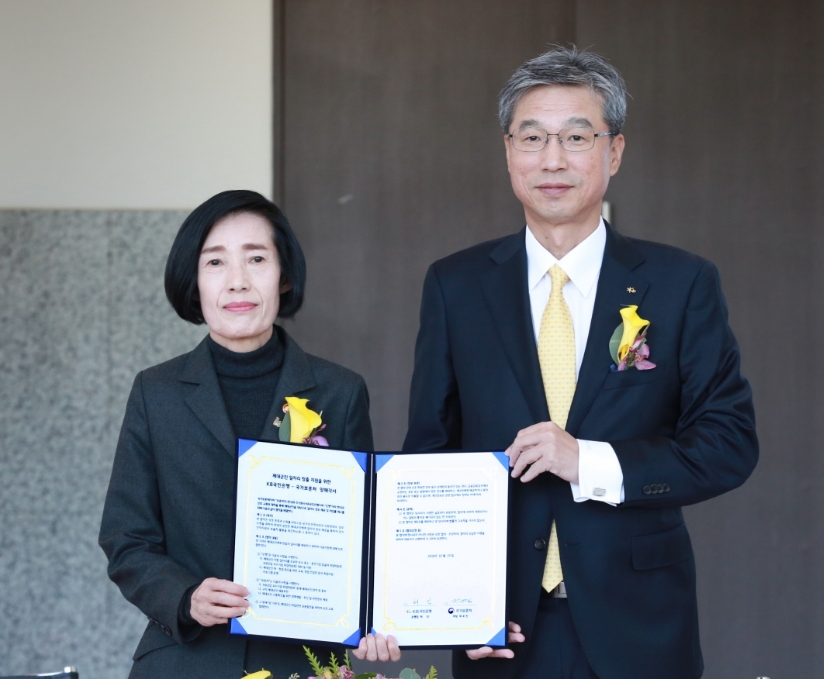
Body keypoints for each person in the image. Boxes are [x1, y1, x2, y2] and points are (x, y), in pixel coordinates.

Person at [404, 47, 759, 679]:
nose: (552, 159)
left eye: (576, 137)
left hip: (640, 625)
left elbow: (728, 443)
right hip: (502, 628)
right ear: (508, 150)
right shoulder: (455, 286)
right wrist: (450, 610)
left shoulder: (680, 284)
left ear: (614, 151)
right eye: (532, 137)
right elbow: (430, 459)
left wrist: (589, 461)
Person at [99, 190, 400, 678]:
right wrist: (184, 596)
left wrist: (377, 618)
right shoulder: (157, 393)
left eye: (256, 258)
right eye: (215, 262)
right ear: (194, 282)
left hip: (302, 661)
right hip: (186, 659)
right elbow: (126, 538)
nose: (237, 281)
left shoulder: (340, 391)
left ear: (283, 275)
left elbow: (365, 535)